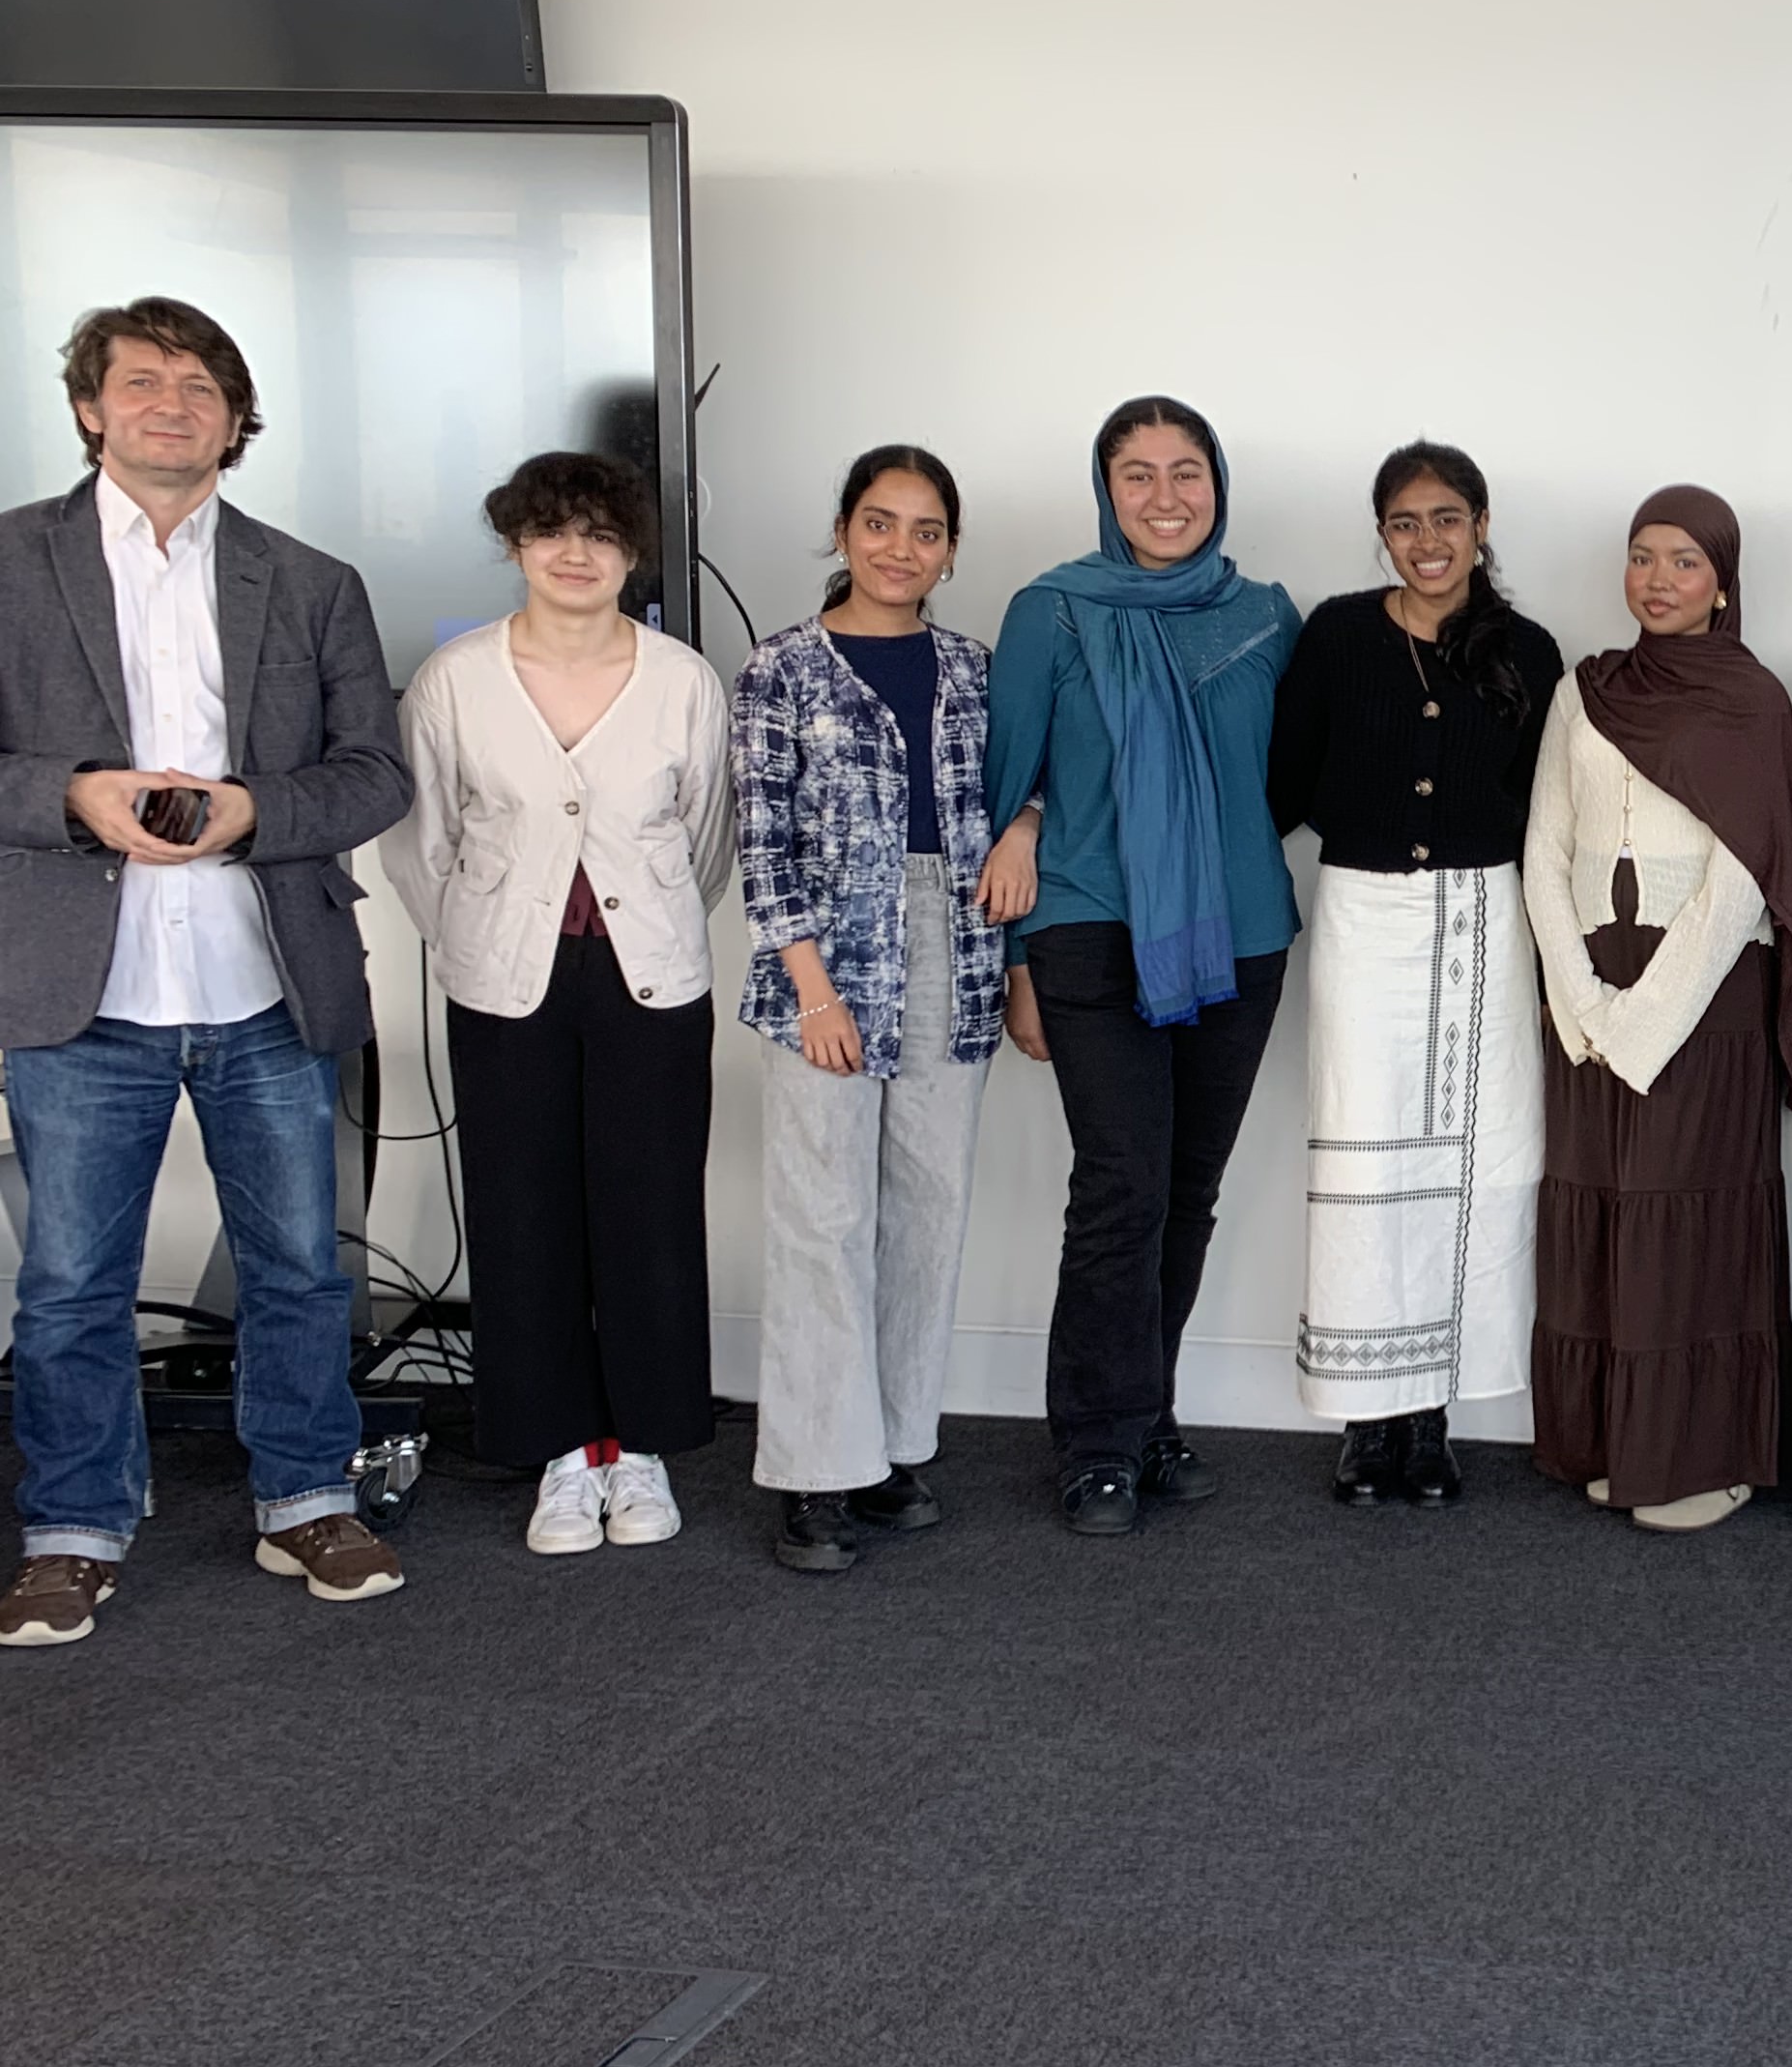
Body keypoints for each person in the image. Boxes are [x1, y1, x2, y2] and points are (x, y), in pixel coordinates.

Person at [0, 298, 415, 1647]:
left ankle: (305, 1497)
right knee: (69, 1283)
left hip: (266, 985)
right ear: (88, 408)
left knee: (299, 1267)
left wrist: (249, 812)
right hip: (82, 993)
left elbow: (374, 772)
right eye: (142, 381)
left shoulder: (311, 581)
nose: (172, 402)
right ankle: (72, 1527)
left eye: (201, 385)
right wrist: (75, 795)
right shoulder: (11, 563)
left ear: (237, 421)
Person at [386, 450, 737, 1554]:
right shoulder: (454, 679)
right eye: (550, 532)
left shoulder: (683, 679)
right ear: (516, 546)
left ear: (632, 551)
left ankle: (637, 1451)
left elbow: (709, 839)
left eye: (599, 533)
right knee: (521, 1211)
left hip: (650, 980)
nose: (574, 554)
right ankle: (555, 1452)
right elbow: (421, 839)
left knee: (649, 1210)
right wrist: (483, 939)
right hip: (504, 985)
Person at [981, 396, 1302, 1538]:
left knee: (1188, 1193)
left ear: (1218, 483)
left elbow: (1296, 775)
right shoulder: (1051, 611)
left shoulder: (1267, 616)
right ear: (1104, 490)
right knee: (1122, 1186)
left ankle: (1148, 1408)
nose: (1165, 498)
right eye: (1137, 475)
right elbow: (1004, 780)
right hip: (1088, 928)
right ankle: (1099, 1442)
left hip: (1241, 937)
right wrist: (1018, 954)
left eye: (1187, 472)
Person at [1267, 440, 1562, 1504]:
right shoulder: (1341, 633)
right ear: (1381, 534)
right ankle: (1367, 1417)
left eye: (1447, 518)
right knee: (1368, 1166)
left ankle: (1431, 1416)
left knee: (1478, 1166)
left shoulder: (1527, 648)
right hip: (1367, 920)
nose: (1427, 541)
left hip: (1486, 921)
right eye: (1405, 522)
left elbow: (1544, 813)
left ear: (1482, 525)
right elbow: (1283, 783)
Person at [731, 446, 1000, 1575]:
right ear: (843, 531)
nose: (902, 549)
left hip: (956, 945)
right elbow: (759, 838)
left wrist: (1024, 829)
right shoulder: (779, 669)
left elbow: (1024, 784)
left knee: (929, 1207)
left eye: (927, 529)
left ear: (950, 547)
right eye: (881, 524)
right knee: (822, 1218)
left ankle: (889, 1451)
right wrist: (811, 987)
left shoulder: (978, 668)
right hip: (826, 955)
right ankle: (810, 1474)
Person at [1521, 485, 1792, 1531]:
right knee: (1604, 1210)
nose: (1658, 578)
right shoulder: (1583, 689)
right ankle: (1615, 1441)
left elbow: (1745, 882)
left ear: (1722, 580)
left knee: (1690, 1218)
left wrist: (1639, 1022)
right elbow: (1543, 849)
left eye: (1684, 560)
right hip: (1589, 988)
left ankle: (1706, 1456)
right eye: (1642, 556)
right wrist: (1580, 996)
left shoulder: (1756, 698)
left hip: (1706, 996)